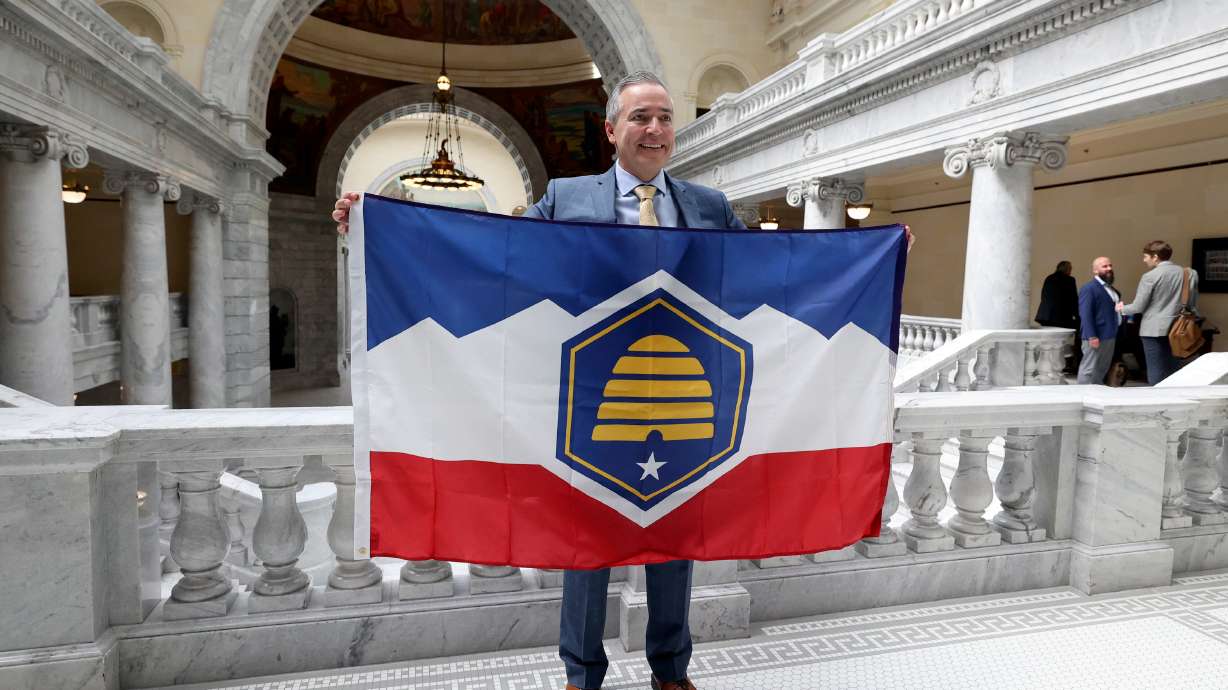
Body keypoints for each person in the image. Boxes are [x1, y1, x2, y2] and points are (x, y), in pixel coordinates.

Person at [333, 70, 913, 690]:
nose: (655, 128)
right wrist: (375, 228)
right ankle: (581, 675)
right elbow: (500, 261)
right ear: (611, 130)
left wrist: (871, 255)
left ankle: (671, 670)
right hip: (593, 395)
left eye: (664, 117)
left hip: (685, 389)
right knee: (585, 538)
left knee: (677, 532)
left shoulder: (708, 207)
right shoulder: (566, 198)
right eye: (640, 117)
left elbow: (774, 276)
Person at [1116, 240, 1198, 384]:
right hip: (1179, 328)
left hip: (1153, 330)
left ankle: (1157, 397)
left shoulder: (1150, 276)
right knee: (1174, 370)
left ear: (1155, 257)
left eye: (1145, 256)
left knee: (1156, 371)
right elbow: (1192, 304)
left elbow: (1138, 307)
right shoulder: (1189, 273)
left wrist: (1121, 309)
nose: (1144, 260)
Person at [1076, 257, 1119, 384]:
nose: (1109, 268)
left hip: (1109, 335)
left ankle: (1095, 392)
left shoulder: (1111, 289)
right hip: (1096, 336)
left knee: (1101, 369)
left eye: (1110, 265)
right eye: (1104, 266)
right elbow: (1085, 314)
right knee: (1088, 369)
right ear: (1095, 270)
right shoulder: (1089, 288)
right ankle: (1081, 392)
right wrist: (1092, 336)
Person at [1036, 261, 1078, 328]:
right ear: (1067, 269)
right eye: (1070, 268)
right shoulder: (1070, 280)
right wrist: (1077, 315)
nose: (1071, 271)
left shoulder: (1049, 278)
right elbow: (1073, 299)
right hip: (1061, 316)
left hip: (1046, 315)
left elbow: (1043, 295)